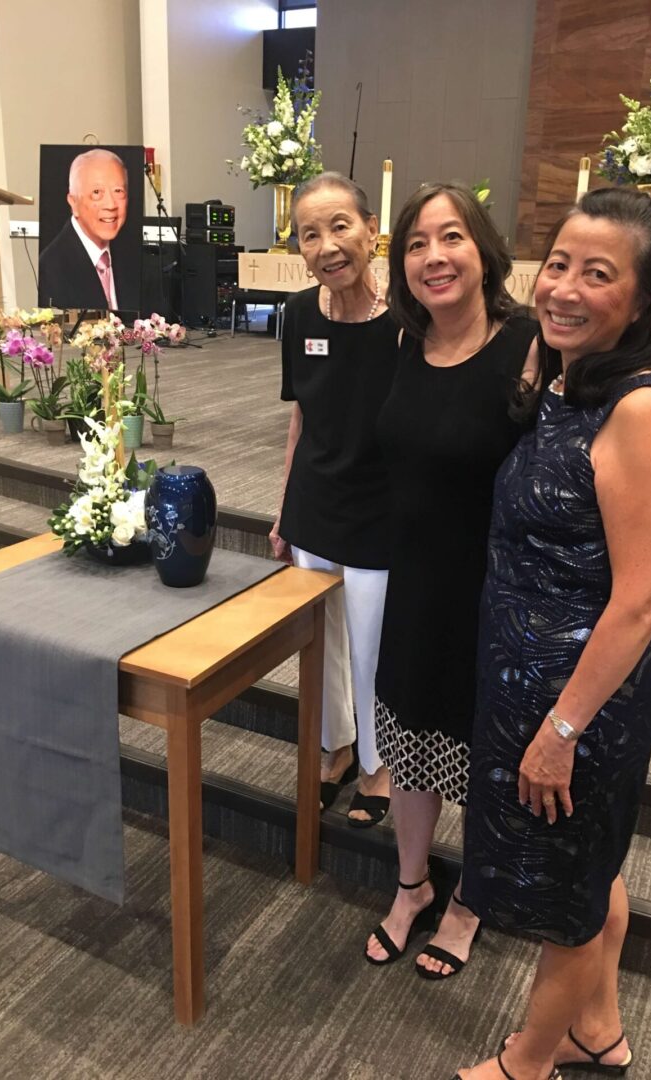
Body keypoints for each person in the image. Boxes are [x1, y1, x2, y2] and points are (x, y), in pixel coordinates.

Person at [454, 188, 651, 1080]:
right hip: (529, 687)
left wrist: (560, 733)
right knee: (593, 872)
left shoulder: (637, 407)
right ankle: (601, 1031)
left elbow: (638, 601)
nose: (564, 288)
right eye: (558, 263)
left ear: (641, 300)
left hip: (579, 707)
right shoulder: (561, 378)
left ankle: (526, 1064)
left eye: (599, 275)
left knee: (568, 900)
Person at [364, 182, 539, 970]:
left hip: (494, 593)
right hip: (416, 583)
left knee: (481, 751)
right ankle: (412, 887)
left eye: (452, 238)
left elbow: (596, 447)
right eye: (415, 244)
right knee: (409, 740)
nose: (434, 257)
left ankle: (468, 897)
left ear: (483, 250)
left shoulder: (531, 343)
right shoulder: (409, 342)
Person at [270, 172, 397, 827]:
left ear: (372, 232)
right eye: (309, 233)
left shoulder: (405, 323)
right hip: (316, 507)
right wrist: (284, 507)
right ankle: (335, 750)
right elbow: (301, 419)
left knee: (373, 643)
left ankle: (379, 766)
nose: (326, 245)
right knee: (321, 642)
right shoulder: (296, 316)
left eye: (340, 226)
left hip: (380, 512)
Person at [39, 148, 135, 311]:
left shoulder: (131, 255)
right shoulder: (50, 268)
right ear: (73, 202)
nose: (111, 205)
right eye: (97, 193)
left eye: (118, 191)